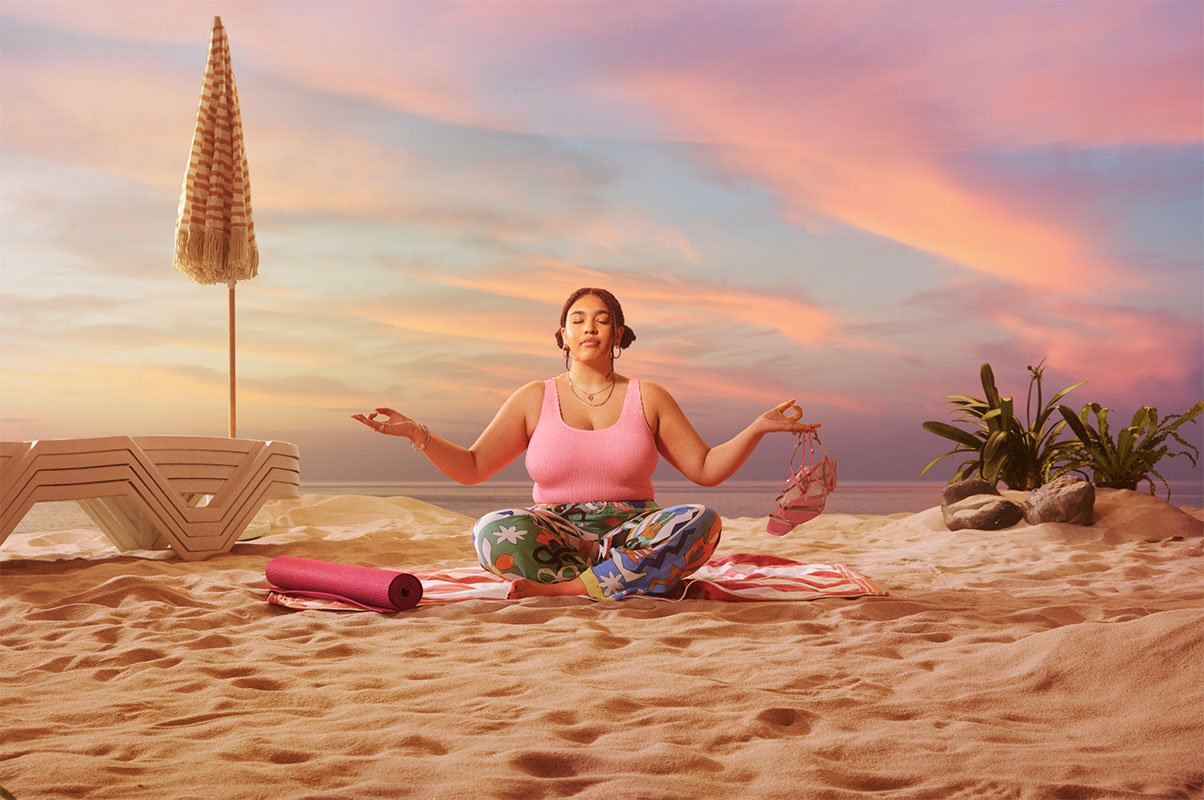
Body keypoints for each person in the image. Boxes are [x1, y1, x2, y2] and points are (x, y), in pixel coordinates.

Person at [353, 287, 816, 601]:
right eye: (578, 320)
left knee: (702, 523)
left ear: (618, 334)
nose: (589, 327)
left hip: (633, 531)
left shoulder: (648, 396)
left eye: (602, 320)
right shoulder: (533, 397)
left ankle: (564, 592)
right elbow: (474, 467)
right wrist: (419, 434)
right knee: (490, 530)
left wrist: (757, 427)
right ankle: (616, 581)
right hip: (557, 534)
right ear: (563, 336)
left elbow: (706, 469)